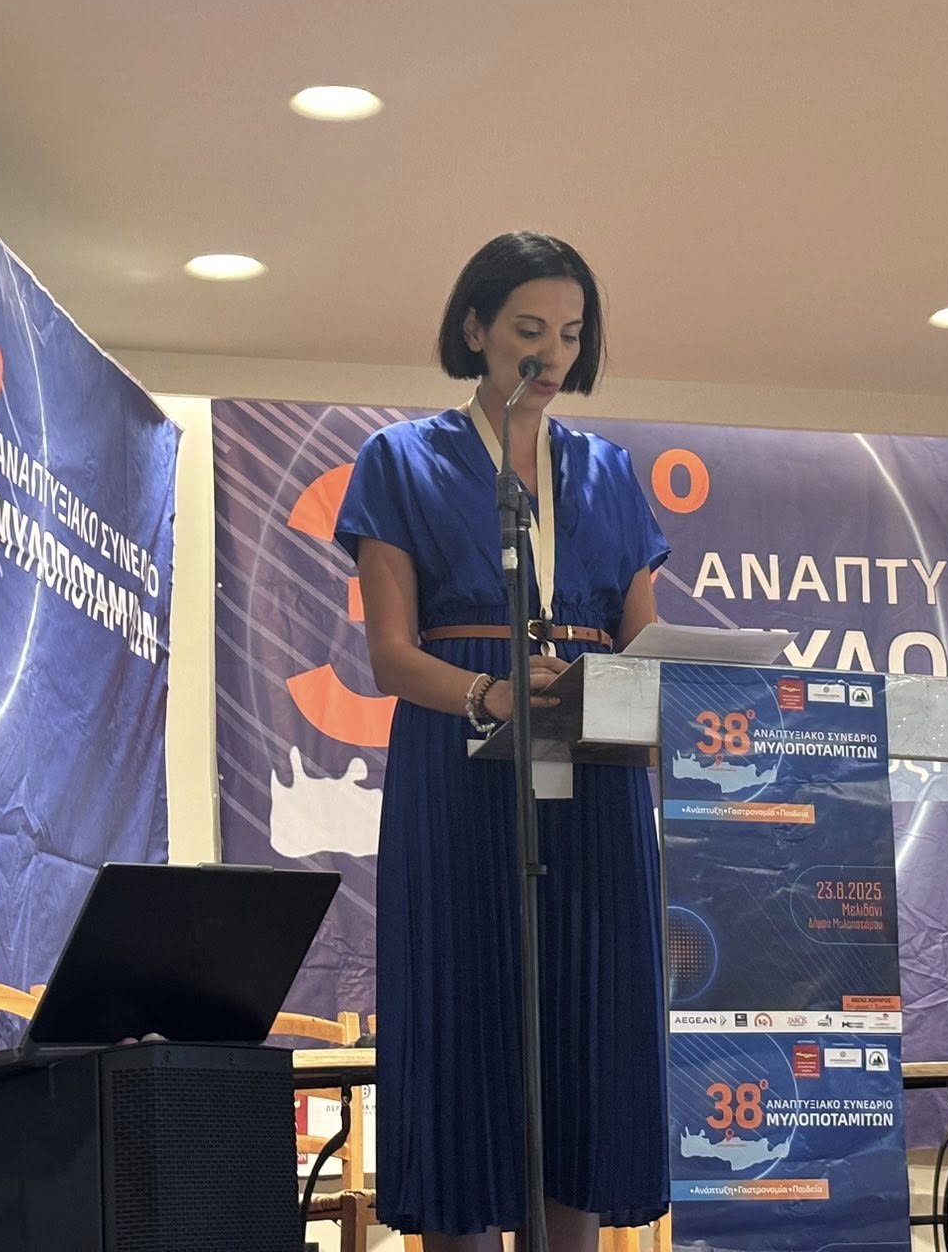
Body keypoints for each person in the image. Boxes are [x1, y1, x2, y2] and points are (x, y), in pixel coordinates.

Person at [337, 233, 670, 1252]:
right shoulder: (401, 459)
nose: (551, 352)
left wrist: (682, 684)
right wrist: (492, 692)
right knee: (463, 1010)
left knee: (583, 1017)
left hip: (595, 776)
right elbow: (392, 657)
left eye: (570, 333)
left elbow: (642, 640)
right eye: (529, 328)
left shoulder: (609, 471)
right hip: (458, 765)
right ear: (475, 328)